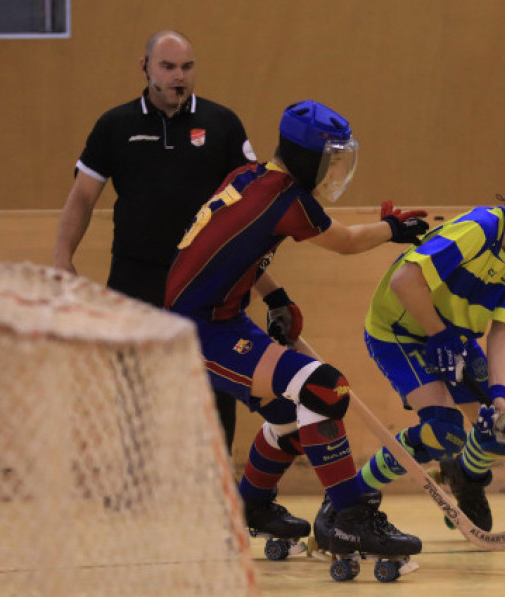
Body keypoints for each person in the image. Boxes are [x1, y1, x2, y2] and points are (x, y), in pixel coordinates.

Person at [165, 100, 428, 561]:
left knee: (288, 418)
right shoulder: (287, 200)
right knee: (326, 389)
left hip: (219, 318)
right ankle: (348, 521)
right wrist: (393, 229)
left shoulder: (248, 177)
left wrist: (276, 297)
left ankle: (250, 506)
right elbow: (345, 242)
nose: (334, 172)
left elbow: (239, 251)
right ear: (308, 158)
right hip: (200, 332)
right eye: (331, 161)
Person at [53, 30, 253, 450]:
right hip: (135, 278)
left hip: (207, 282)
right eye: (168, 66)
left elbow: (253, 205)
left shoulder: (222, 124)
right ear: (145, 69)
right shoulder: (115, 125)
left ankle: (213, 490)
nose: (179, 76)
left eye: (186, 67)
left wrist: (259, 275)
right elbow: (83, 197)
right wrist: (62, 258)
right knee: (132, 387)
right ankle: (134, 486)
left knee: (213, 384)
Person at [350, 166, 505, 532]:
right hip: (399, 331)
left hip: (453, 337)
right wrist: (437, 333)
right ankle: (348, 499)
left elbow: (503, 329)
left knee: (503, 433)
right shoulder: (479, 230)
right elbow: (405, 281)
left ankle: (464, 477)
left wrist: (502, 394)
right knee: (444, 432)